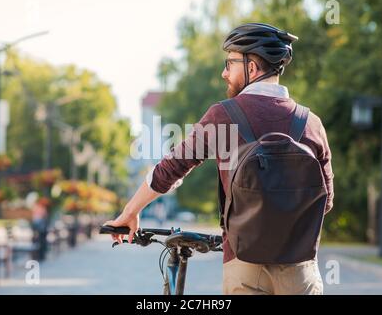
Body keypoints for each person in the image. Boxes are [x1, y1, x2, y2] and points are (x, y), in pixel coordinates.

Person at [104, 23, 334, 295]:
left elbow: (171, 169)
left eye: (230, 63)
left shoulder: (223, 116)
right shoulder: (311, 123)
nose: (224, 72)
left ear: (251, 68)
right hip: (301, 270)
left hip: (244, 266)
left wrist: (130, 212)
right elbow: (326, 201)